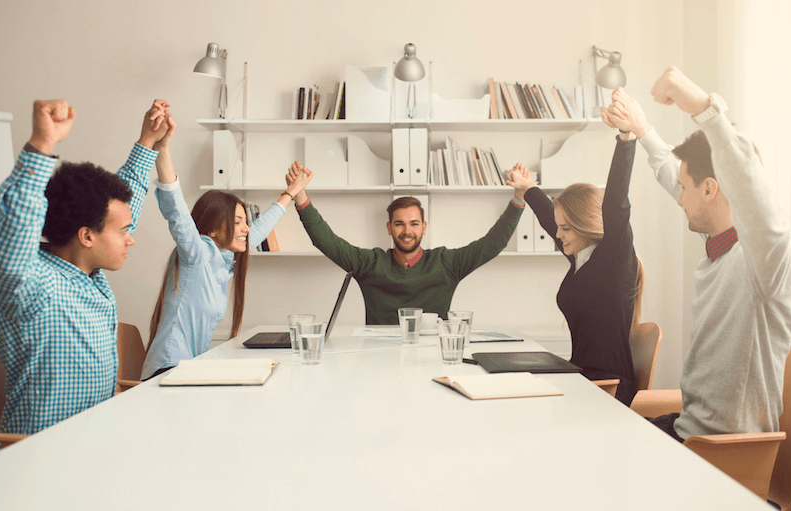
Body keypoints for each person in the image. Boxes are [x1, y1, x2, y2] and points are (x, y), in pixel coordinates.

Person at [601, 69, 791, 441]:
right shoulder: (721, 248)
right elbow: (674, 174)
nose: (679, 198)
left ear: (712, 189)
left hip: (719, 450)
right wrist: (641, 128)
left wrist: (706, 109)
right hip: (686, 428)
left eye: (686, 188)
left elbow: (754, 196)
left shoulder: (767, 263)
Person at [0, 98, 170, 440]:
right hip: (39, 458)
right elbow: (13, 232)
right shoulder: (32, 286)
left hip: (91, 447)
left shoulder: (89, 275)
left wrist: (147, 142)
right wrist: (42, 146)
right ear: (86, 236)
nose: (131, 238)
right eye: (124, 232)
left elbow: (120, 211)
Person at [140, 115, 314, 380]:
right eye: (237, 222)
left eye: (245, 222)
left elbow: (258, 229)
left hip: (188, 369)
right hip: (167, 370)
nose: (246, 229)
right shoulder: (197, 253)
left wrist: (290, 192)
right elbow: (176, 209)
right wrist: (162, 148)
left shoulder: (223, 261)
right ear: (211, 228)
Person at [285, 161, 524, 325]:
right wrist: (300, 196)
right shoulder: (370, 263)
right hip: (378, 357)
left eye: (414, 223)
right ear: (389, 228)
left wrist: (520, 197)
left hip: (431, 353)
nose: (407, 231)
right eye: (399, 224)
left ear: (424, 227)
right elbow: (326, 241)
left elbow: (492, 244)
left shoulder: (446, 263)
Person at [505, 132, 643, 406]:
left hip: (609, 389)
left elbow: (616, 203)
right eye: (559, 227)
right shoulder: (581, 257)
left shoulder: (614, 259)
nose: (558, 235)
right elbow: (548, 219)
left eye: (566, 229)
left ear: (584, 225)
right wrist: (527, 187)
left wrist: (626, 139)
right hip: (583, 379)